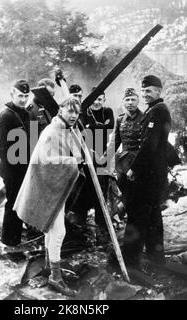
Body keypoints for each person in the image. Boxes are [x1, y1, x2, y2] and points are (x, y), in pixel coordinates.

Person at [14, 98, 82, 296]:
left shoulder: (65, 129)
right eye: (69, 111)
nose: (73, 115)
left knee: (51, 228)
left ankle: (47, 266)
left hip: (53, 186)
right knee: (58, 232)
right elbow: (44, 159)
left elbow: (71, 147)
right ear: (60, 110)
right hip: (47, 186)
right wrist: (71, 161)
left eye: (76, 112)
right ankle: (55, 277)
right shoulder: (51, 132)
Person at [122, 75, 171, 267]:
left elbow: (149, 145)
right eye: (143, 91)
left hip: (148, 174)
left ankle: (130, 259)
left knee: (137, 214)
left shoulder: (157, 111)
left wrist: (134, 169)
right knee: (152, 215)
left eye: (148, 91)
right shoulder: (155, 110)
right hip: (154, 172)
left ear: (159, 91)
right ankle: (155, 256)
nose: (144, 94)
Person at [71, 89, 114, 245]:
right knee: (83, 191)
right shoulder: (83, 113)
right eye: (94, 99)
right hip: (86, 157)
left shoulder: (108, 111)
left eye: (100, 99)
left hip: (102, 157)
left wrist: (92, 127)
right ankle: (79, 229)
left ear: (104, 100)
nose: (97, 102)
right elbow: (79, 133)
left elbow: (109, 129)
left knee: (101, 194)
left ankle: (101, 233)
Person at [0, 79, 31, 254]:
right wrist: (15, 165)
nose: (23, 99)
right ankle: (9, 242)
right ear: (12, 94)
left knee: (20, 203)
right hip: (12, 169)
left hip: (24, 167)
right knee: (13, 204)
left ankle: (15, 239)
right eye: (20, 96)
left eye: (26, 96)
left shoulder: (24, 113)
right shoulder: (6, 115)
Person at [104, 88, 143, 211]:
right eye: (127, 100)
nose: (130, 102)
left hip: (139, 160)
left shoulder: (145, 117)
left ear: (138, 101)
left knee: (138, 192)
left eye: (133, 99)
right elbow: (114, 142)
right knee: (122, 187)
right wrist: (105, 158)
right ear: (123, 102)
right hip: (123, 161)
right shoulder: (120, 119)